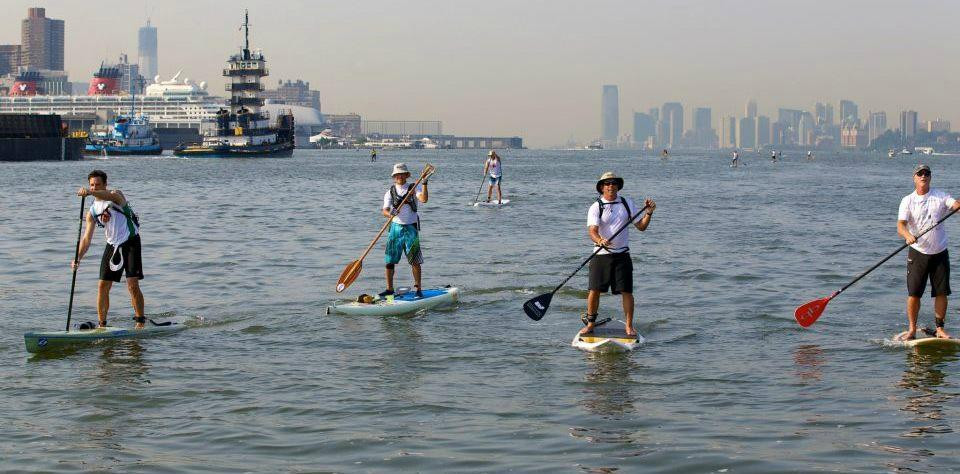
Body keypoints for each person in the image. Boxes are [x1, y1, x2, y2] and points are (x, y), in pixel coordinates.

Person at [581, 172, 656, 337]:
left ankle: (629, 326)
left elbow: (641, 227)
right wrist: (600, 240)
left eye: (614, 183)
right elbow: (592, 231)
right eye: (607, 183)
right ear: (601, 187)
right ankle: (591, 323)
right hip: (601, 255)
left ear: (618, 186)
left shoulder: (626, 203)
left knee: (627, 291)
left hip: (622, 255)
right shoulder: (596, 207)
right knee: (594, 290)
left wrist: (649, 213)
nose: (611, 186)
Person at [72, 170, 146, 328]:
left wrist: (89, 192)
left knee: (132, 284)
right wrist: (77, 258)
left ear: (105, 184)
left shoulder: (116, 195)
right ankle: (102, 325)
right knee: (103, 285)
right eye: (91, 185)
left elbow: (110, 197)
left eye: (98, 185)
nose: (94, 188)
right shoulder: (92, 211)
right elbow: (86, 239)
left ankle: (140, 322)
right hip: (112, 245)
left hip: (131, 242)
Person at [896, 164, 960, 340]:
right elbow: (900, 226)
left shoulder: (940, 196)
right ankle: (912, 329)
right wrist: (908, 235)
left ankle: (940, 329)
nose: (923, 176)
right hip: (918, 252)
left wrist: (957, 206)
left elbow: (954, 205)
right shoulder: (907, 200)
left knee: (941, 292)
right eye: (920, 173)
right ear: (914, 178)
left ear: (930, 177)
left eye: (927, 173)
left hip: (940, 252)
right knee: (914, 293)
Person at [381, 163, 429, 298]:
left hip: (410, 228)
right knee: (389, 260)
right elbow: (384, 210)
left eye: (402, 174)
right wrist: (391, 213)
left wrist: (424, 182)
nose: (399, 176)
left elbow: (424, 199)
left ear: (407, 175)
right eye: (397, 175)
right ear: (394, 177)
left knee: (415, 260)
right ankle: (389, 289)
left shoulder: (414, 187)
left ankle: (418, 289)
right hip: (395, 228)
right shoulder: (389, 192)